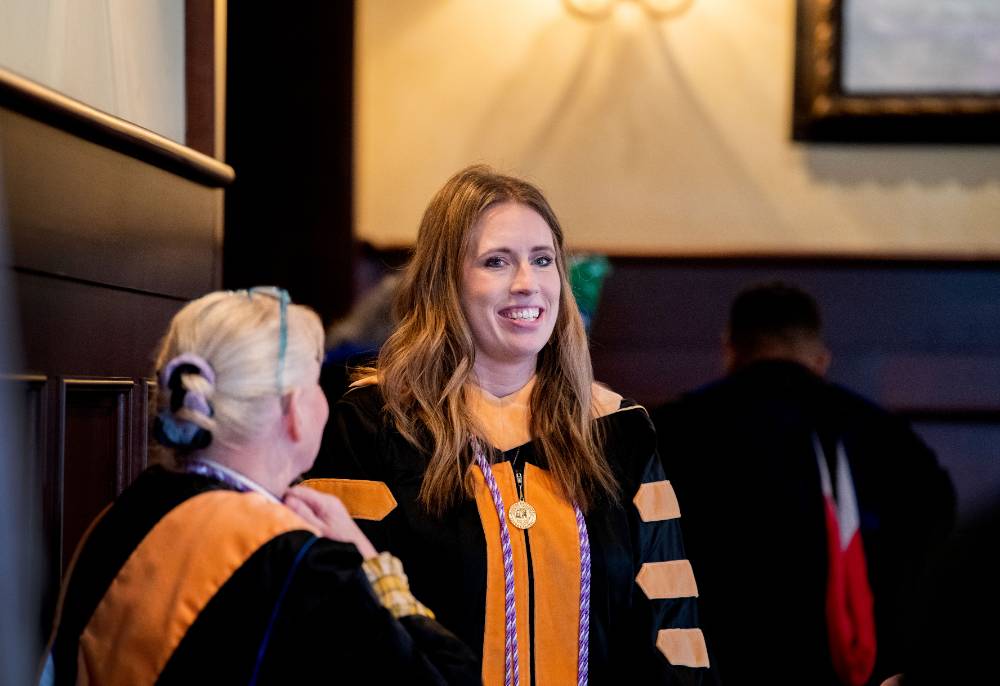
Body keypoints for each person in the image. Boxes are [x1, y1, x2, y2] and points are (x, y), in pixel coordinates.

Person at [305, 165, 713, 684]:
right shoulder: (374, 423)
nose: (527, 284)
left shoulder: (617, 430)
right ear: (444, 282)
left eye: (543, 261)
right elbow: (341, 622)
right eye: (496, 262)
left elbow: (672, 630)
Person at [40, 288, 478, 685]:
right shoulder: (299, 560)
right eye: (314, 384)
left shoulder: (116, 518)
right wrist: (371, 563)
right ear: (294, 410)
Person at [652, 282, 955, 686]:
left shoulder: (673, 429)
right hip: (848, 665)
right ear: (820, 359)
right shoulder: (883, 437)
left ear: (730, 350)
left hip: (710, 663)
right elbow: (935, 537)